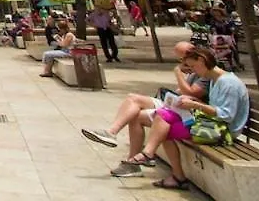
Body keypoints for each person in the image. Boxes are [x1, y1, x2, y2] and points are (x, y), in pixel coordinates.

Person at [106, 45, 250, 188]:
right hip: (211, 124)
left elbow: (226, 115)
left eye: (193, 66)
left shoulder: (228, 83)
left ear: (201, 60)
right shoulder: (215, 79)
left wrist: (196, 105)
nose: (193, 71)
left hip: (223, 131)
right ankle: (160, 163)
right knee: (164, 116)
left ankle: (165, 166)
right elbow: (215, 107)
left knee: (164, 127)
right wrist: (193, 101)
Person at [81, 42, 208, 175]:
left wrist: (178, 73)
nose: (185, 63)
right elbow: (181, 91)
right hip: (177, 105)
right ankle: (112, 134)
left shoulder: (203, 72)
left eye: (187, 58)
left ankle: (134, 158)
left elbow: (191, 93)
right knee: (132, 100)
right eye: (181, 59)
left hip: (187, 112)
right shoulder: (194, 71)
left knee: (140, 116)